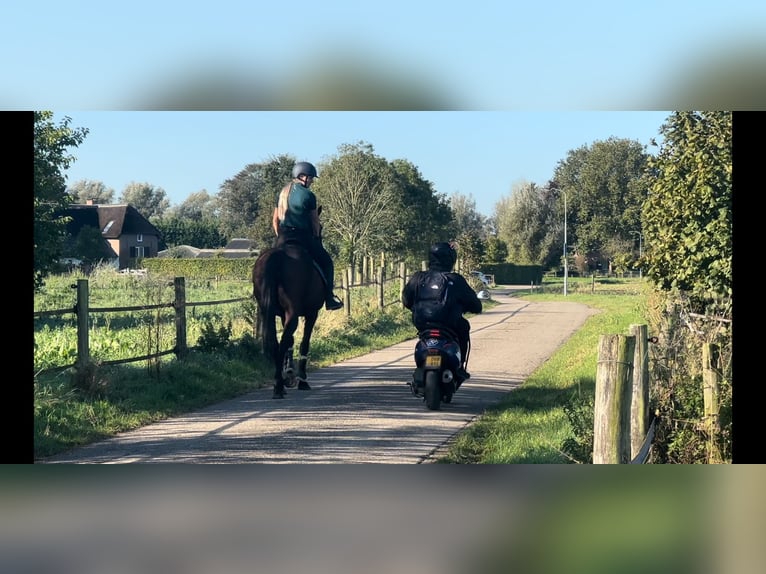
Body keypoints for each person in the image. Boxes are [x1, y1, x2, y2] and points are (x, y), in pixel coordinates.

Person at [401, 241, 482, 380]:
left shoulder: (418, 277)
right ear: (451, 259)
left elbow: (406, 300)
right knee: (464, 327)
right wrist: (470, 307)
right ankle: (460, 366)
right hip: (450, 325)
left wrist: (416, 308)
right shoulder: (456, 280)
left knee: (423, 336)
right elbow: (475, 305)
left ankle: (422, 363)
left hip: (423, 324)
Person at [272, 161, 343, 311]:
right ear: (302, 176)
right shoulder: (308, 195)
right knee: (327, 262)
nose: (311, 181)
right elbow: (315, 221)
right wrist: (316, 238)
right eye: (310, 178)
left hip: (282, 238)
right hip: (301, 237)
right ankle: (330, 299)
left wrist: (281, 237)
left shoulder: (282, 193)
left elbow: (275, 221)